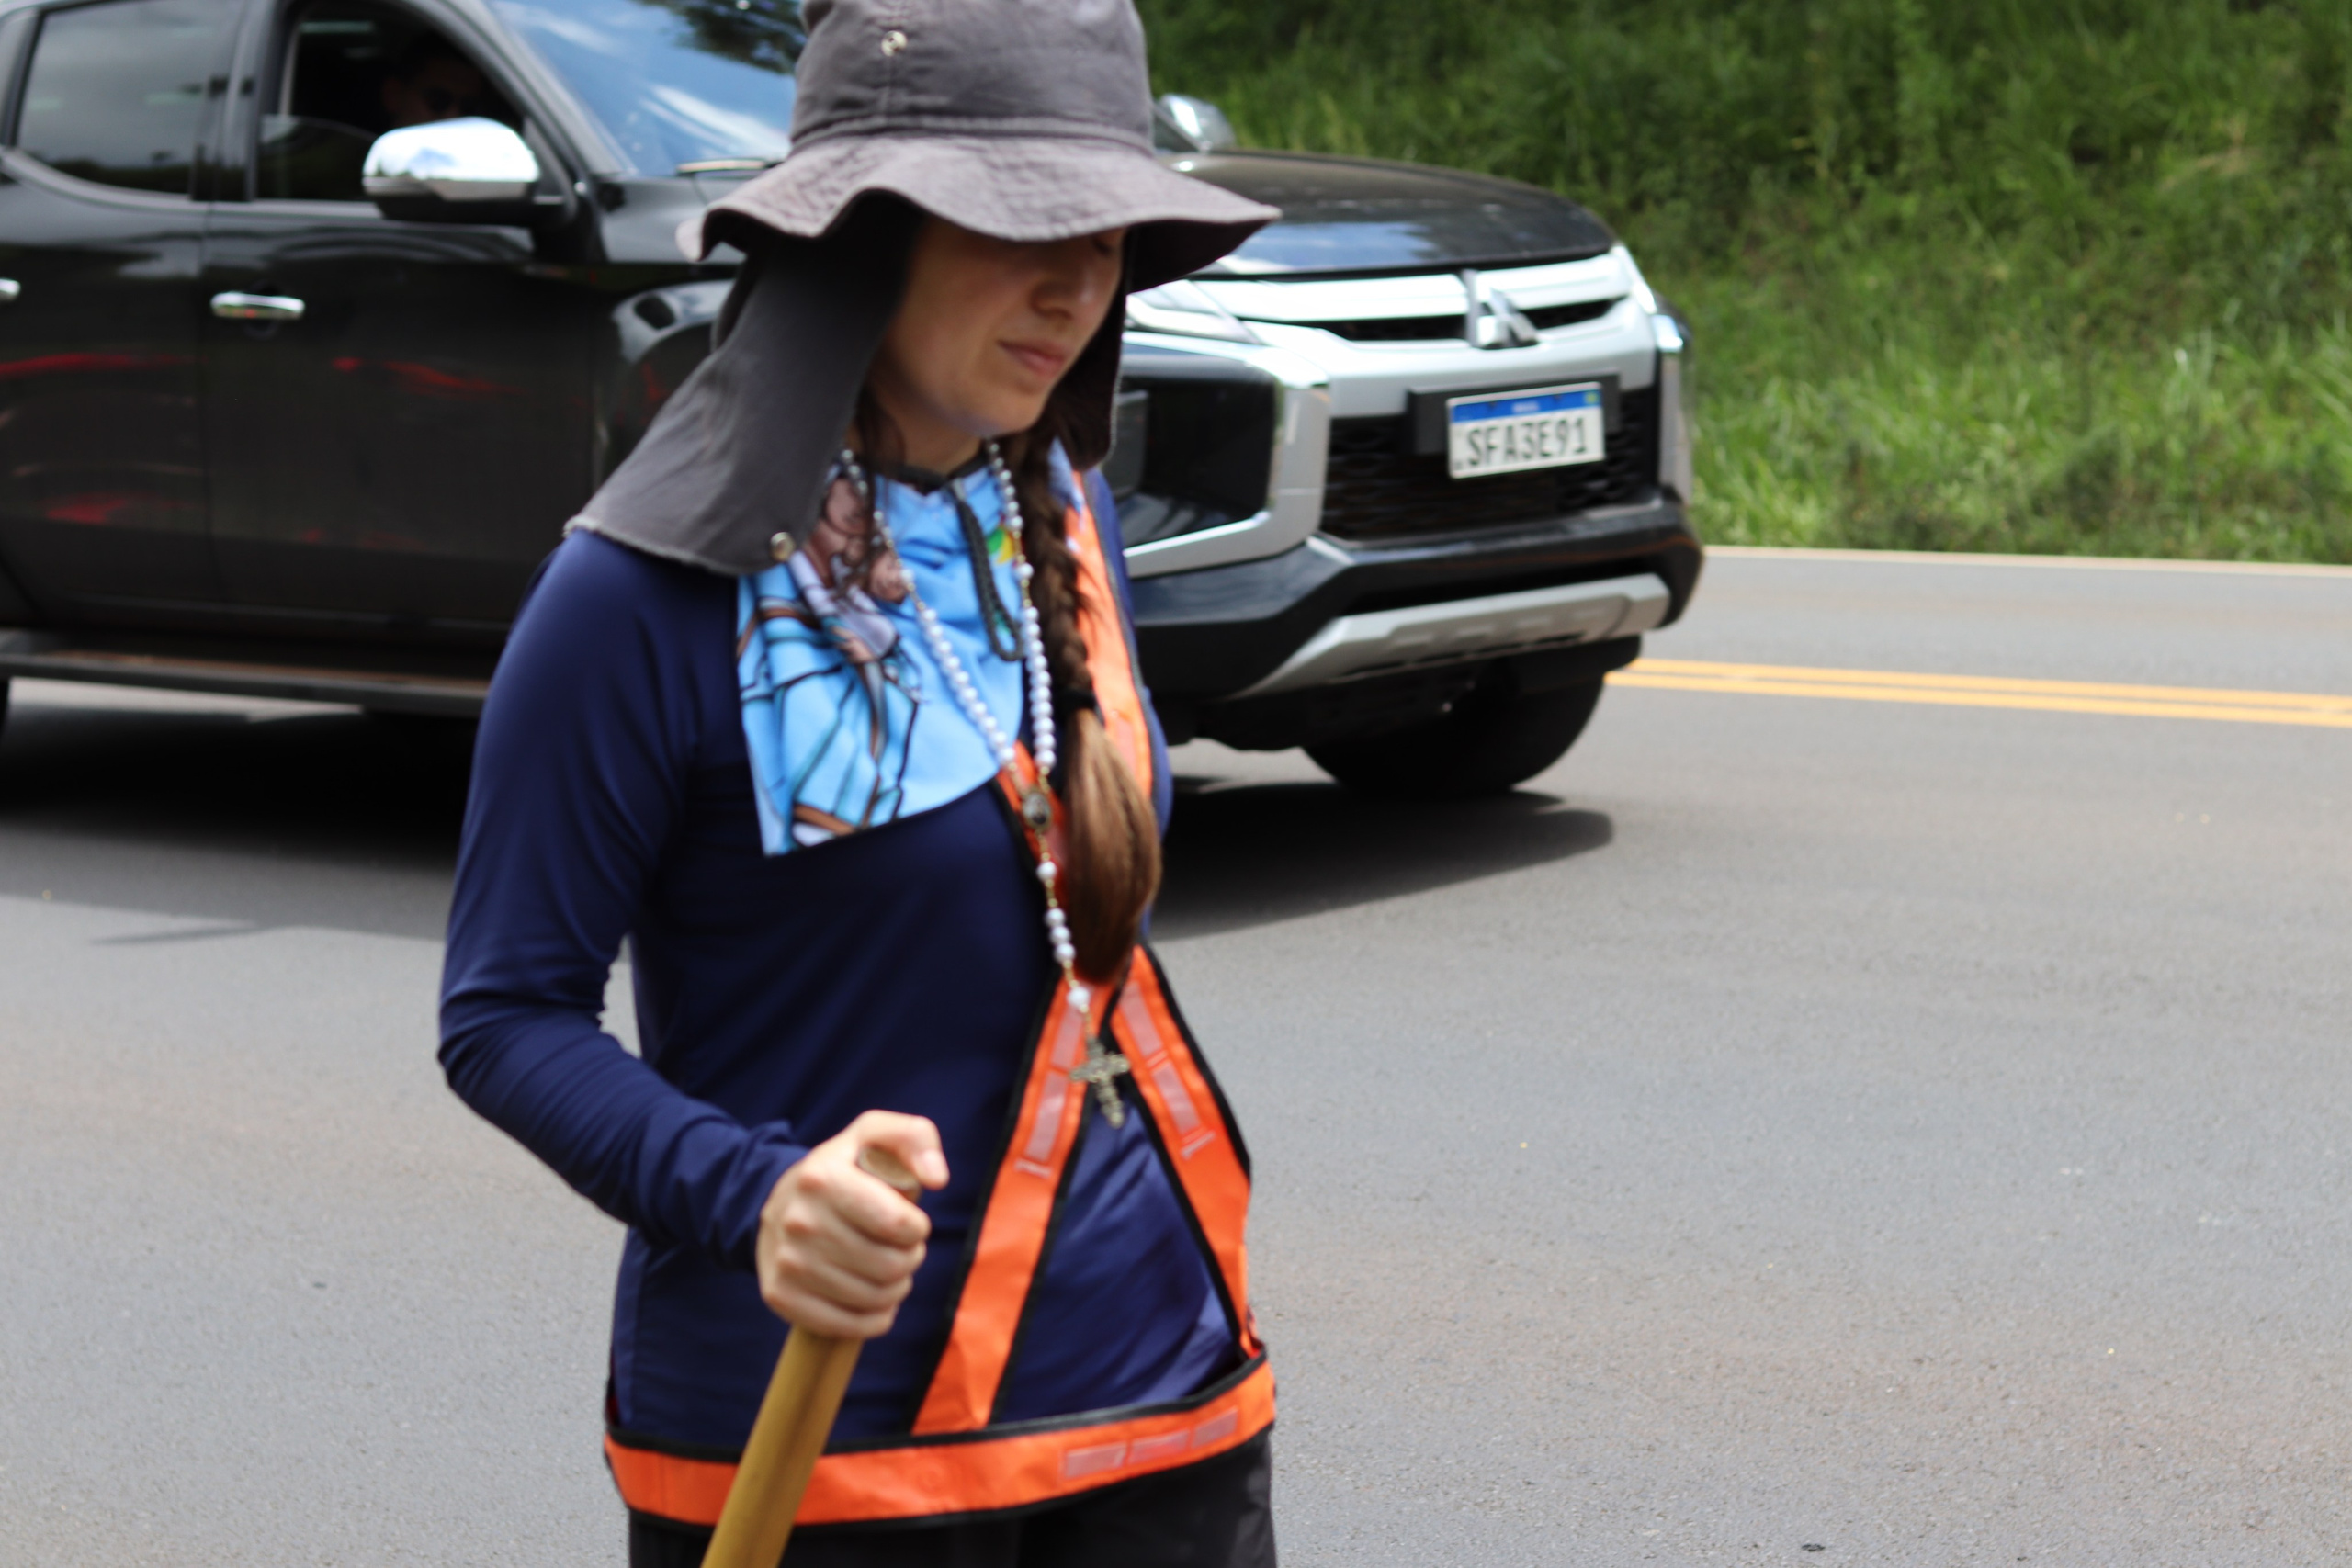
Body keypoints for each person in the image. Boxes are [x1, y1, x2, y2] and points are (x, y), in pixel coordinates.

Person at [435, 2, 1281, 1563]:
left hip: (1160, 1385)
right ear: (863, 234)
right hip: (826, 1443)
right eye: (1019, 223)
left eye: (1107, 230)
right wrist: (755, 1196)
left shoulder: (1060, 509)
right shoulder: (641, 598)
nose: (1080, 280)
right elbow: (502, 1019)